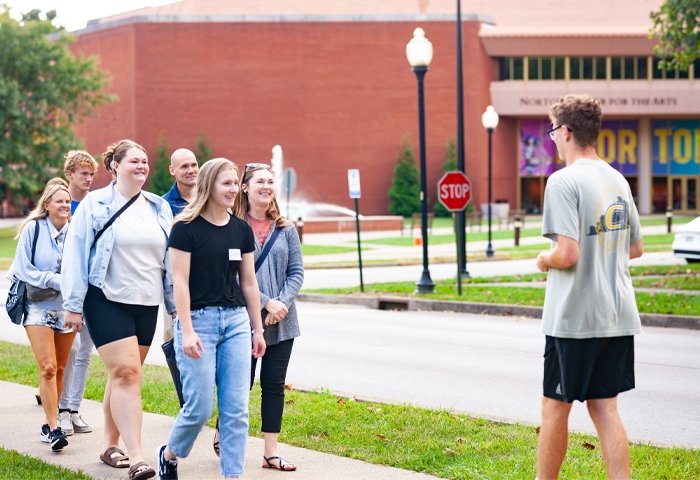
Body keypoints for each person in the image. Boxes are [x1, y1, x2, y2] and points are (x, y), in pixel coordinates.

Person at [535, 94, 643, 480]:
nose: (553, 139)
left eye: (552, 132)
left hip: (574, 319)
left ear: (565, 131)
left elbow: (566, 253)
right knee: (605, 409)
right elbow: (636, 248)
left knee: (554, 408)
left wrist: (543, 259)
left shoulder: (562, 181)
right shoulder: (617, 179)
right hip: (616, 315)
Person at [62, 139, 175, 480]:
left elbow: (168, 261)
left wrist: (174, 307)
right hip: (105, 298)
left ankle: (109, 445)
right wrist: (72, 305)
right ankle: (138, 456)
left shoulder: (158, 207)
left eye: (144, 161)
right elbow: (75, 254)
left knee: (124, 374)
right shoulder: (95, 204)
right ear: (115, 166)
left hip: (145, 302)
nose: (142, 166)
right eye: (134, 161)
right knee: (127, 373)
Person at [156, 158, 266, 480]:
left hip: (235, 324)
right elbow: (180, 282)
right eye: (226, 184)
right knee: (200, 409)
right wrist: (186, 330)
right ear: (209, 185)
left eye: (235, 184)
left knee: (236, 411)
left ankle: (232, 475)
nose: (233, 190)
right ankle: (170, 453)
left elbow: (248, 282)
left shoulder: (241, 230)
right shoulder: (185, 228)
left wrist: (256, 329)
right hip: (198, 324)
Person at [233, 162, 303, 472]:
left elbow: (296, 271)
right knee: (239, 384)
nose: (266, 186)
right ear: (244, 187)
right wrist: (265, 303)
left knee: (273, 385)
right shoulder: (232, 227)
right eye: (260, 181)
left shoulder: (285, 228)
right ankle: (227, 432)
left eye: (270, 181)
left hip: (283, 322)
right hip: (243, 321)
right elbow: (231, 275)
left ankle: (270, 452)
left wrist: (281, 304)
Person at [11, 180, 74, 452]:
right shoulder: (32, 230)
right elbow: (24, 270)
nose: (64, 205)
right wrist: (58, 280)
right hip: (37, 307)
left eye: (67, 201)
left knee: (60, 368)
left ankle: (50, 422)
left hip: (67, 308)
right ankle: (55, 428)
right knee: (47, 368)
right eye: (58, 201)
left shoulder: (76, 233)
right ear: (46, 205)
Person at [57, 150, 99, 436]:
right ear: (70, 173)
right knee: (69, 351)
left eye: (91, 174)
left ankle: (74, 409)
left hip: (94, 290)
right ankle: (60, 411)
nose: (88, 179)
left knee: (85, 351)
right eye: (83, 173)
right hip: (68, 290)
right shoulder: (60, 205)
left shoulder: (96, 206)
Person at [161, 148, 199, 407]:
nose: (191, 170)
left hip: (207, 282)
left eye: (194, 165)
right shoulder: (163, 205)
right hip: (175, 284)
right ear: (172, 170)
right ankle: (186, 402)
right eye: (184, 166)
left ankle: (200, 397)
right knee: (174, 340)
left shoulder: (208, 198)